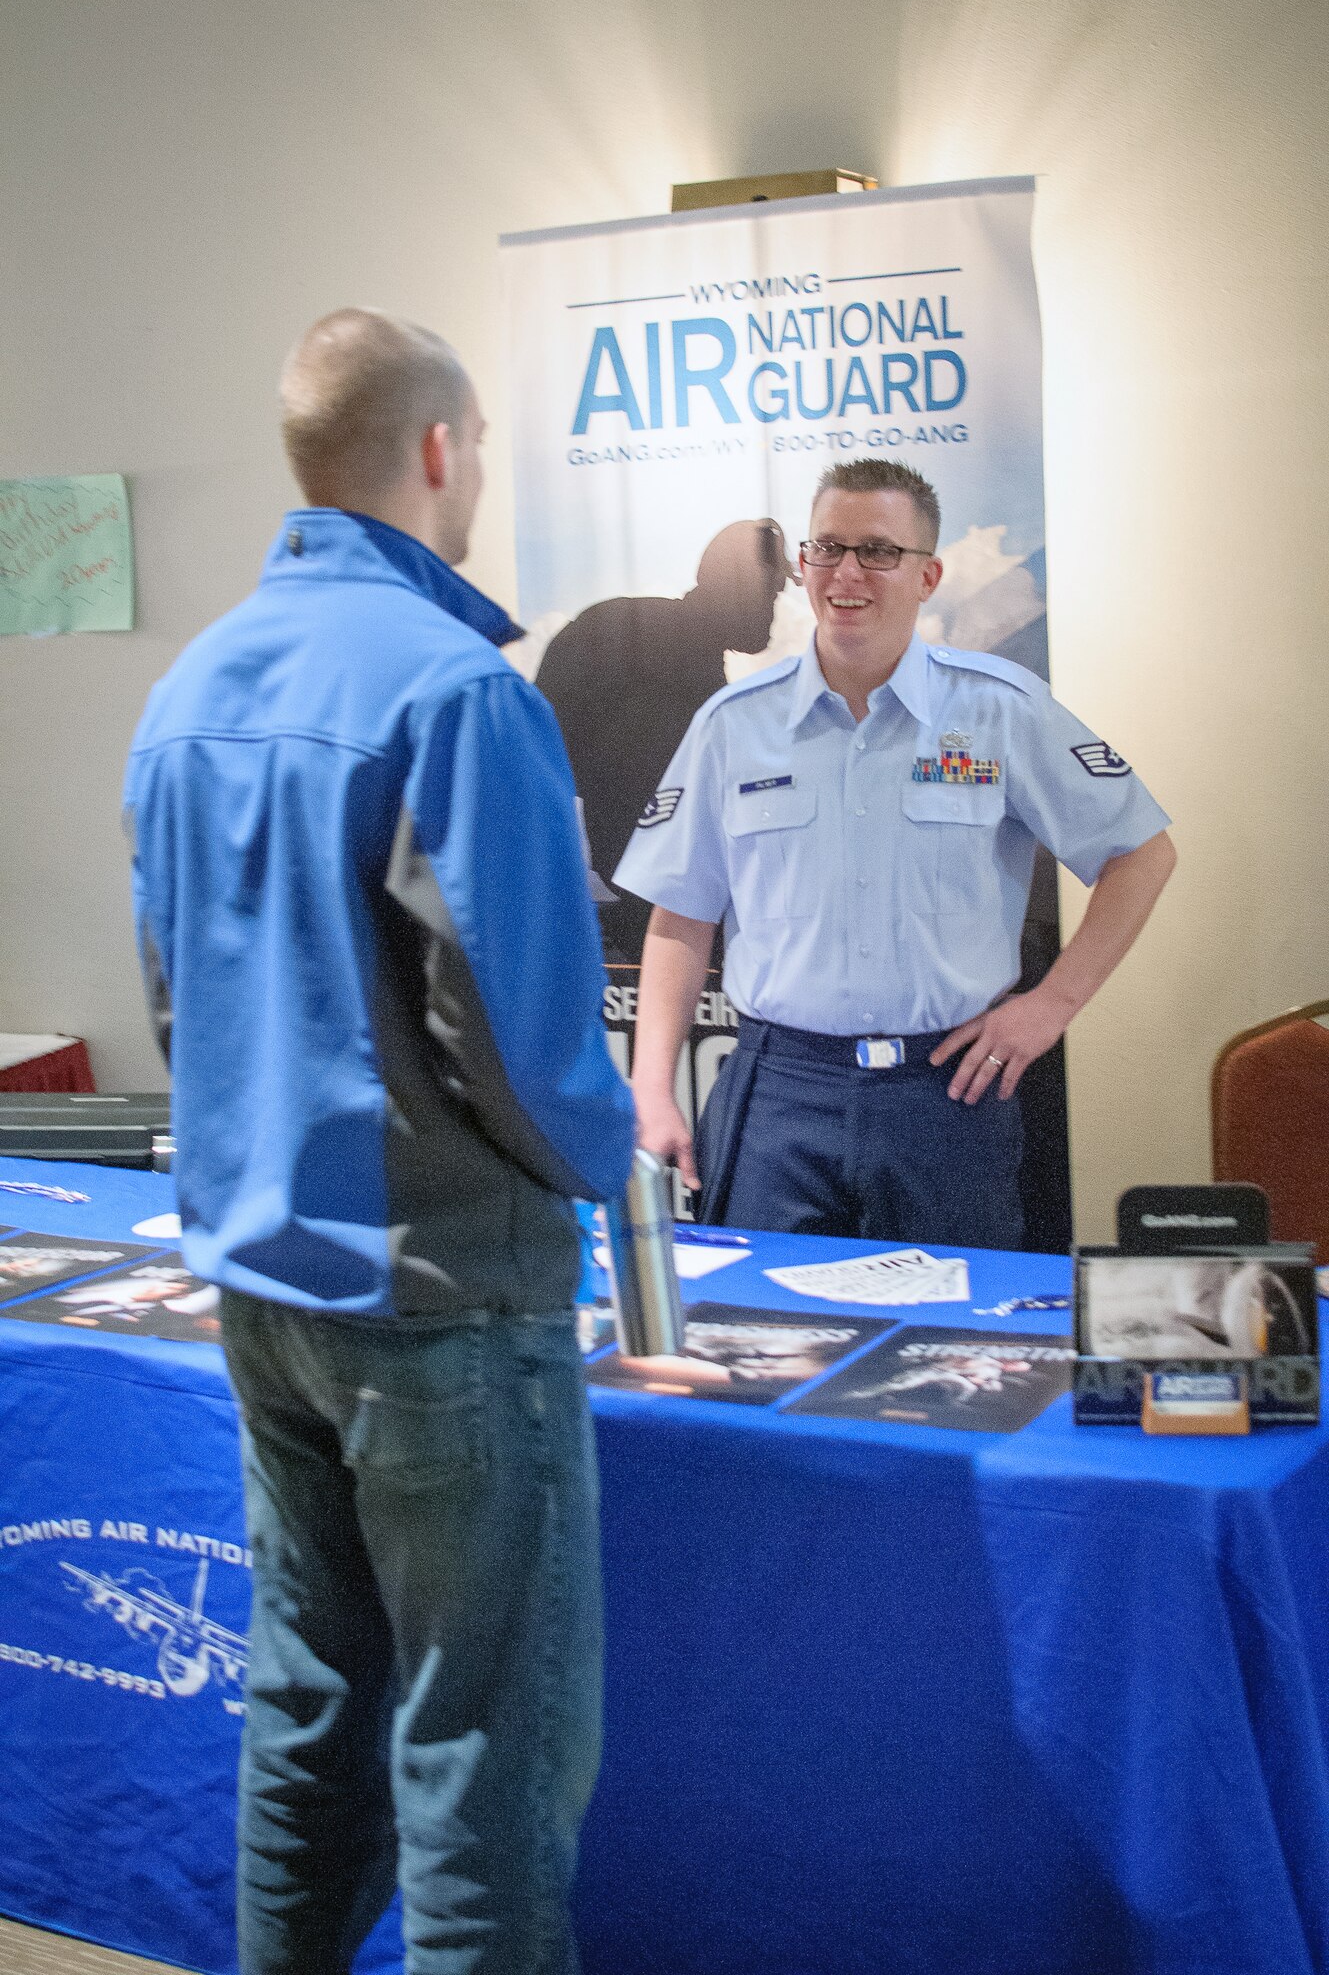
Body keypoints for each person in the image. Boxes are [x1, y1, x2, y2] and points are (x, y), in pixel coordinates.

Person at [124, 308, 636, 1975]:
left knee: (308, 1706)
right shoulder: (451, 691)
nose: (479, 476)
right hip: (444, 1304)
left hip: (264, 1294)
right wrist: (602, 1162)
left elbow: (175, 1004)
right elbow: (527, 1039)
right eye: (479, 448)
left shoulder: (185, 688)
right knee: (482, 1758)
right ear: (435, 452)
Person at [615, 457, 1175, 1249]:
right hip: (778, 1093)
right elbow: (680, 917)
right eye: (828, 549)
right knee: (763, 1343)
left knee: (955, 1349)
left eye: (878, 551)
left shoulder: (998, 712)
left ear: (928, 575)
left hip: (942, 1095)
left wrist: (1051, 1006)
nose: (848, 573)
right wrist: (651, 1086)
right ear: (804, 564)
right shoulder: (732, 725)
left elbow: (1141, 854)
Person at [536, 518, 794, 961]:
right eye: (771, 591)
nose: (777, 606)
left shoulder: (619, 626)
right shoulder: (649, 652)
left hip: (623, 896)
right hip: (653, 913)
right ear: (742, 588)